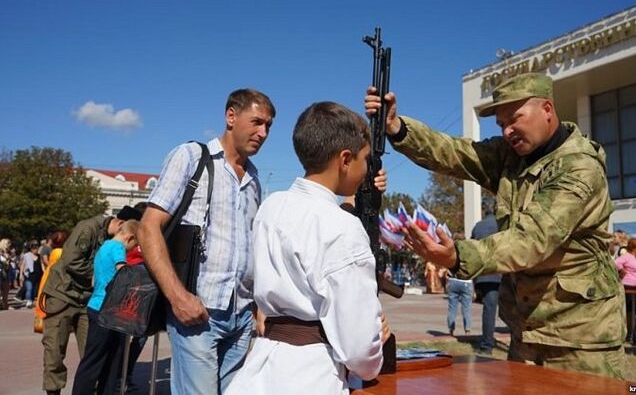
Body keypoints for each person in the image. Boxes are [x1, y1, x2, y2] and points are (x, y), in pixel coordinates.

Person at [365, 72, 625, 378]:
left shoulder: (579, 167)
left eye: (515, 118)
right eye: (501, 124)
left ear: (547, 110)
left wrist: (457, 257)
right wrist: (397, 129)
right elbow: (454, 153)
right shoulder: (510, 156)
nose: (507, 131)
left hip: (582, 342)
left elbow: (531, 239)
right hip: (526, 332)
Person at [225, 101, 389, 395]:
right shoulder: (342, 227)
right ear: (345, 160)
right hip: (313, 374)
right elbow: (358, 349)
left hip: (262, 366)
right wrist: (374, 349)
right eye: (366, 159)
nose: (367, 169)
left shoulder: (271, 207)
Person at [138, 88, 276, 395]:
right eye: (256, 122)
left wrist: (258, 306)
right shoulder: (192, 157)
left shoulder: (254, 180)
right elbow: (148, 228)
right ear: (230, 116)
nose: (263, 132)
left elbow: (250, 248)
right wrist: (178, 298)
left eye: (268, 126)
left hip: (241, 316)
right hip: (199, 312)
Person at [40, 205, 143, 395]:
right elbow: (72, 261)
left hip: (88, 299)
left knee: (92, 353)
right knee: (55, 351)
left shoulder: (110, 241)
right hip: (63, 294)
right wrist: (100, 275)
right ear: (121, 225)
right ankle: (53, 391)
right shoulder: (88, 228)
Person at [72, 220, 140, 395]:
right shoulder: (118, 248)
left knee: (94, 357)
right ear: (129, 238)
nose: (131, 250)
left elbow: (94, 280)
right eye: (134, 246)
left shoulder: (103, 248)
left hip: (95, 305)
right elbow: (122, 271)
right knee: (111, 360)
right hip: (109, 309)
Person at [470, 202, 501, 355]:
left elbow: (471, 250)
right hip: (503, 272)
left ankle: (487, 345)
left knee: (489, 310)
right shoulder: (502, 225)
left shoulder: (478, 226)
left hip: (485, 275)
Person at [20, 240, 43, 308]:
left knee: (34, 289)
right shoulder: (27, 255)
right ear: (31, 249)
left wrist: (44, 272)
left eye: (36, 248)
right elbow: (22, 265)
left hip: (37, 276)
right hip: (29, 275)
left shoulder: (39, 256)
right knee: (29, 288)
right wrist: (21, 274)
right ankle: (28, 301)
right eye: (34, 248)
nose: (35, 250)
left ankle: (32, 300)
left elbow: (42, 265)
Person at [0, 238, 11, 310]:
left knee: (6, 289)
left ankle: (5, 304)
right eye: (8, 244)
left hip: (6, 272)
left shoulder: (7, 253)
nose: (10, 245)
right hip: (0, 272)